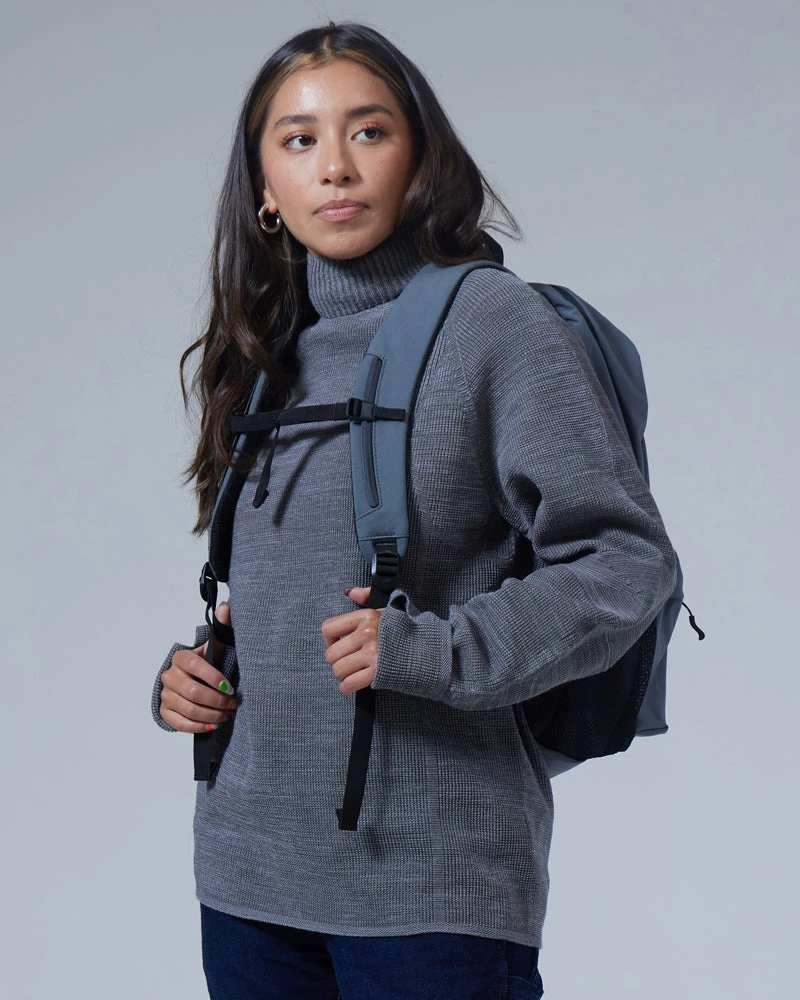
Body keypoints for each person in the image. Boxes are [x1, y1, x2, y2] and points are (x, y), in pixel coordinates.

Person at [150, 20, 678, 1000]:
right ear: (264, 186)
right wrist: (198, 676)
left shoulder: (492, 324)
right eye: (299, 139)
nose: (335, 166)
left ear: (419, 157)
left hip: (431, 890)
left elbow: (625, 560)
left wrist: (438, 649)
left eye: (369, 131)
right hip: (246, 880)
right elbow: (285, 585)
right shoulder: (263, 351)